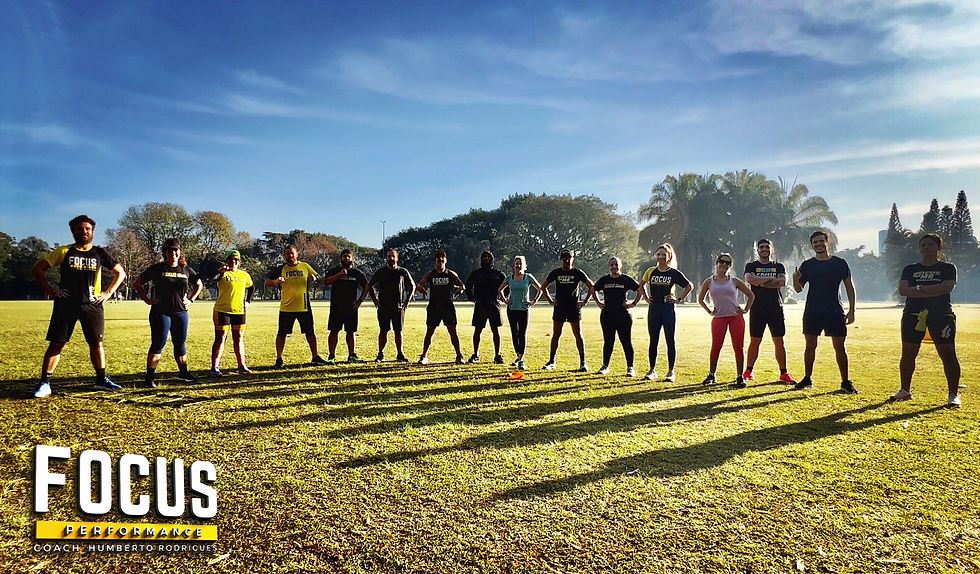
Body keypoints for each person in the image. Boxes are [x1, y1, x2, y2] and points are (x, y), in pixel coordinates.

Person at [31, 215, 126, 398]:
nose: (84, 232)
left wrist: (107, 293)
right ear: (73, 231)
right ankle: (45, 383)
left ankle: (101, 380)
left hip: (92, 305)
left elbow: (120, 273)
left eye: (87, 229)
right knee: (57, 343)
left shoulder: (99, 253)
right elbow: (37, 269)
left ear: (92, 231)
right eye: (80, 229)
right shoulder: (64, 252)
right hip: (66, 305)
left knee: (96, 343)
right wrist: (52, 292)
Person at [893, 234, 961, 408]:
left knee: (947, 354)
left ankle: (953, 394)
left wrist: (918, 288)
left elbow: (946, 288)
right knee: (908, 353)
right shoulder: (910, 269)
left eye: (930, 244)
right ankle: (904, 390)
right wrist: (930, 290)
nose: (926, 247)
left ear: (939, 248)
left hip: (941, 315)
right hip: (912, 314)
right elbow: (903, 290)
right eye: (923, 245)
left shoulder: (948, 268)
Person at [792, 230, 857, 393]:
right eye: (815, 242)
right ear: (812, 245)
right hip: (813, 311)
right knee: (810, 346)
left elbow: (850, 287)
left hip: (835, 310)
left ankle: (845, 382)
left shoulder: (840, 263)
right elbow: (799, 289)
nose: (818, 245)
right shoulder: (807, 265)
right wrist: (795, 279)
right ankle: (807, 379)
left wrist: (852, 310)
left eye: (821, 241)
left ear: (828, 242)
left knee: (840, 347)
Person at [133, 238, 203, 388]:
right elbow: (137, 284)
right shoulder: (158, 268)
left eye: (175, 250)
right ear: (165, 253)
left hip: (181, 313)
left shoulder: (185, 269)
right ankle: (149, 377)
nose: (173, 253)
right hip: (161, 312)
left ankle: (183, 373)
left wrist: (191, 299)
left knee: (180, 343)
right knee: (158, 343)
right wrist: (147, 300)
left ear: (180, 252)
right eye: (170, 250)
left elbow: (199, 284)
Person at [743, 239, 796, 384]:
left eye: (767, 247)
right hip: (757, 308)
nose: (764, 249)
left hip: (775, 308)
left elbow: (782, 282)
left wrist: (760, 281)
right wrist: (771, 280)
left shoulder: (779, 266)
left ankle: (784, 373)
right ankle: (748, 371)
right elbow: (749, 279)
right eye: (761, 247)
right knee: (755, 341)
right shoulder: (751, 265)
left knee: (779, 341)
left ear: (772, 249)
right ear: (757, 250)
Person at [265, 245, 328, 368]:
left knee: (310, 332)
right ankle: (279, 359)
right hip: (286, 307)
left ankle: (315, 357)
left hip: (303, 306)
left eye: (292, 253)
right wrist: (276, 281)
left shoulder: (304, 266)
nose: (290, 255)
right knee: (282, 333)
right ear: (284, 255)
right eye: (287, 253)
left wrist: (314, 278)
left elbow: (320, 278)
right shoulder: (281, 268)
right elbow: (267, 283)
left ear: (297, 254)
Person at [697, 253, 755, 386]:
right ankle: (712, 375)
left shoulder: (734, 281)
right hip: (719, 318)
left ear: (730, 266)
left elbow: (751, 295)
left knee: (738, 347)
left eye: (727, 263)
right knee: (716, 346)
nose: (724, 265)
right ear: (717, 263)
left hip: (735, 317)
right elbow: (700, 299)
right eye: (722, 261)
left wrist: (745, 310)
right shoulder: (709, 281)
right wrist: (709, 311)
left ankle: (740, 376)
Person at [640, 243, 693, 382]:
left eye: (664, 254)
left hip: (668, 309)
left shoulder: (673, 272)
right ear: (655, 256)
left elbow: (689, 286)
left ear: (669, 256)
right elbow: (641, 285)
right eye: (658, 254)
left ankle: (670, 372)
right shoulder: (651, 271)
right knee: (653, 340)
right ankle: (652, 370)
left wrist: (679, 299)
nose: (661, 256)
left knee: (670, 340)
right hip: (654, 309)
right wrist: (646, 297)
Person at [538, 249, 595, 372]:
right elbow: (543, 287)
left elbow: (591, 286)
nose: (567, 260)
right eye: (564, 259)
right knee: (556, 334)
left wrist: (584, 301)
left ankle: (583, 362)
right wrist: (550, 300)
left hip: (573, 308)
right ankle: (551, 361)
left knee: (578, 334)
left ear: (573, 259)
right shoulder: (556, 272)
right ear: (561, 260)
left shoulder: (578, 272)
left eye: (569, 258)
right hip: (560, 308)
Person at [359, 249, 415, 362]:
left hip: (398, 307)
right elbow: (369, 285)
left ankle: (400, 354)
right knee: (383, 330)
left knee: (398, 331)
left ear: (397, 258)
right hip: (383, 307)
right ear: (386, 258)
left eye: (393, 256)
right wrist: (374, 299)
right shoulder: (381, 272)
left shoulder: (402, 271)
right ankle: (380, 354)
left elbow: (412, 285)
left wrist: (407, 301)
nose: (391, 258)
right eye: (389, 256)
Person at [591, 257, 643, 376]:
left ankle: (630, 367)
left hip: (623, 315)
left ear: (621, 265)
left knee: (626, 341)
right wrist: (598, 302)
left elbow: (640, 289)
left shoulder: (626, 279)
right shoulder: (605, 280)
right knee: (608, 341)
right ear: (609, 266)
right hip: (607, 314)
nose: (614, 267)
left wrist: (634, 303)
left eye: (616, 265)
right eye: (612, 265)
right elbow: (593, 289)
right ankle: (605, 366)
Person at [416, 250, 466, 364]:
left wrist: (459, 290)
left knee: (452, 332)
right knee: (429, 332)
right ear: (435, 262)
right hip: (434, 307)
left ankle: (459, 355)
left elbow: (462, 285)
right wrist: (422, 290)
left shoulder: (451, 274)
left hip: (448, 306)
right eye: (438, 261)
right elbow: (419, 284)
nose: (440, 264)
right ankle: (424, 356)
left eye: (442, 261)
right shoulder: (430, 274)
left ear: (446, 261)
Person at [210, 250, 254, 376]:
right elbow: (212, 277)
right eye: (230, 259)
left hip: (239, 311)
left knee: (238, 338)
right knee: (220, 338)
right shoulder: (222, 273)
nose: (233, 262)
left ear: (239, 262)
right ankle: (215, 367)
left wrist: (248, 301)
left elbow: (251, 287)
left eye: (236, 260)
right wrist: (219, 271)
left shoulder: (244, 275)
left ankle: (241, 365)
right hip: (222, 311)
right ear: (227, 261)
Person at [323, 249, 369, 363]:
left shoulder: (357, 273)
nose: (346, 258)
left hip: (351, 307)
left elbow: (366, 286)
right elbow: (326, 282)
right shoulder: (334, 271)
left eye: (348, 256)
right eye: (344, 256)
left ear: (352, 259)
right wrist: (339, 275)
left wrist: (360, 301)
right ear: (341, 258)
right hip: (336, 307)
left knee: (351, 331)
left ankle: (352, 355)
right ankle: (331, 356)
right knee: (334, 331)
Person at [497, 255, 543, 370]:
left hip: (523, 309)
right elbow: (500, 289)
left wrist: (534, 301)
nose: (518, 266)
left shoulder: (528, 277)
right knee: (514, 333)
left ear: (525, 266)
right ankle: (518, 356)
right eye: (516, 264)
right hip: (512, 309)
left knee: (522, 333)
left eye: (520, 264)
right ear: (514, 266)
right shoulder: (509, 278)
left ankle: (521, 359)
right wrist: (505, 300)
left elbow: (540, 289)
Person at [464, 251, 507, 364]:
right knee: (477, 330)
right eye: (484, 257)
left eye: (488, 257)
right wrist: (471, 297)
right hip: (480, 304)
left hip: (494, 304)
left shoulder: (498, 273)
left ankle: (497, 356)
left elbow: (507, 285)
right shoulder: (476, 273)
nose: (486, 259)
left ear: (492, 259)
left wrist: (503, 297)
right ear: (481, 259)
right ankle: (475, 355)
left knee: (495, 330)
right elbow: (467, 286)